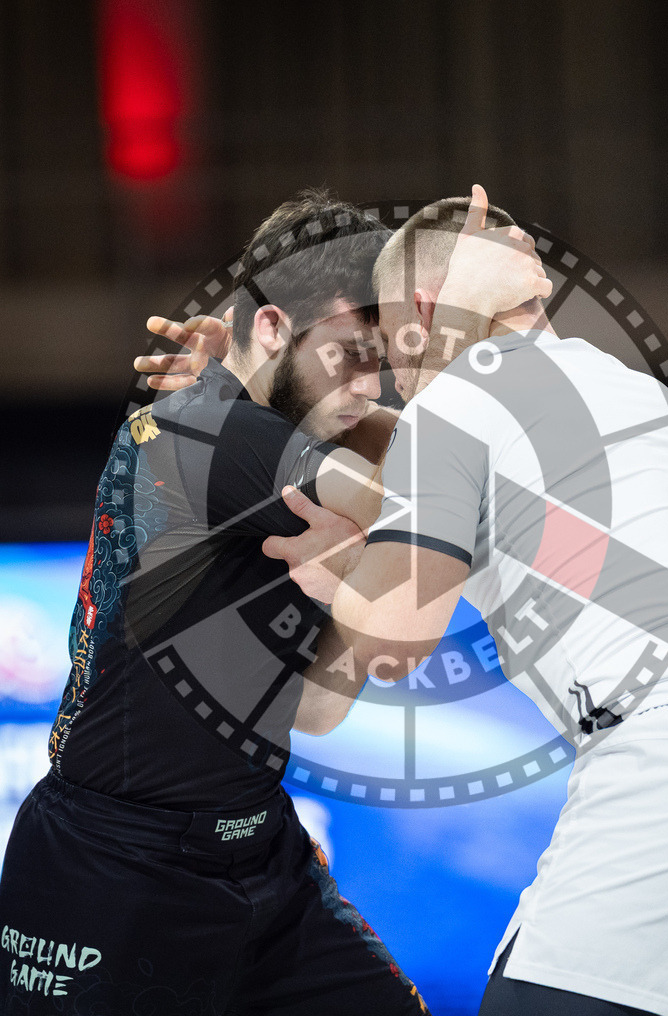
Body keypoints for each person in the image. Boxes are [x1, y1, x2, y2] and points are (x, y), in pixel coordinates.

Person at [265, 188, 668, 1016]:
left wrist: (335, 582)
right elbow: (514, 523)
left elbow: (397, 643)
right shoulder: (634, 393)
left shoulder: (456, 407)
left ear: (422, 309)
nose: (389, 371)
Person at [0, 191, 420, 1016]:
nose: (368, 388)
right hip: (114, 875)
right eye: (345, 355)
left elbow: (319, 715)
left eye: (379, 361)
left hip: (261, 851)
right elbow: (414, 506)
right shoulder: (202, 429)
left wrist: (346, 597)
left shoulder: (280, 445)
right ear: (268, 329)